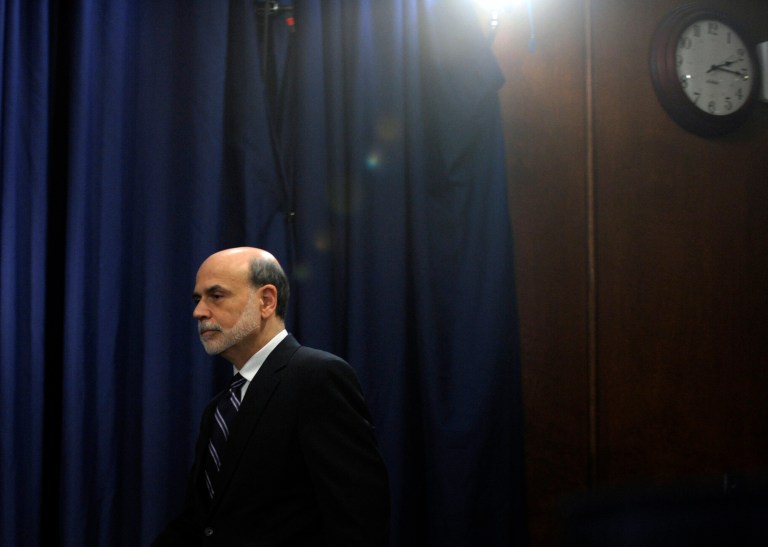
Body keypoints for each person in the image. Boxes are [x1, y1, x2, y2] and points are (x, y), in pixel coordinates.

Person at [153, 247, 390, 546]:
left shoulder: (317, 376)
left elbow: (359, 517)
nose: (198, 311)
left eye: (216, 295)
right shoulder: (219, 408)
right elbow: (202, 521)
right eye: (197, 299)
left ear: (266, 301)